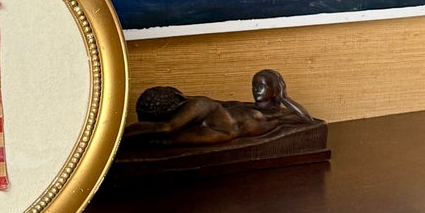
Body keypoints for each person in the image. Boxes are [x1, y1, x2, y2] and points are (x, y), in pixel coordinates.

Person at [123, 69, 314, 146]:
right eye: (254, 84)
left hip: (223, 132)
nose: (256, 89)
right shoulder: (244, 105)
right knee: (167, 128)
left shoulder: (276, 116)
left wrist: (284, 97)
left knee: (164, 142)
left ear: (274, 89)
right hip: (212, 112)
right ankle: (113, 140)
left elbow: (306, 120)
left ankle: (120, 147)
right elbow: (217, 105)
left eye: (262, 85)